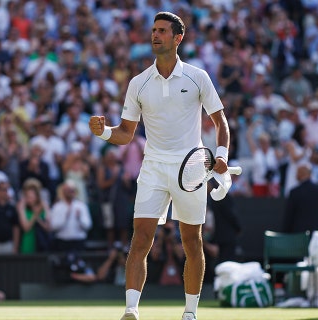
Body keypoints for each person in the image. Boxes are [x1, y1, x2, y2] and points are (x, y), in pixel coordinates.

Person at [88, 12, 230, 320]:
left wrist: (222, 155)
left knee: (192, 242)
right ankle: (131, 310)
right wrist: (104, 132)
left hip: (191, 168)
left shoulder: (198, 77)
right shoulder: (138, 83)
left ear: (178, 38)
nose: (155, 35)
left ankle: (190, 313)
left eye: (162, 31)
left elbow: (220, 121)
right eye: (153, 30)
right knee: (140, 239)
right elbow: (126, 133)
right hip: (152, 168)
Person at [283, 164, 318, 233]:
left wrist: (285, 232)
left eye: (297, 172)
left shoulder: (295, 192)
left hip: (299, 234)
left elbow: (289, 216)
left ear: (300, 174)